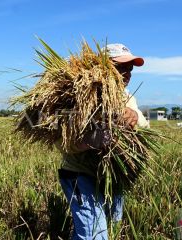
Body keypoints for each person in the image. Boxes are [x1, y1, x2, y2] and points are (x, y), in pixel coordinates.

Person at [57, 43, 149, 240]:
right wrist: (90, 141)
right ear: (102, 67)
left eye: (130, 69)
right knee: (95, 235)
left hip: (113, 176)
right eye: (121, 67)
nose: (127, 73)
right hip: (80, 174)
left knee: (111, 225)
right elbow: (60, 141)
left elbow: (145, 127)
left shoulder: (126, 97)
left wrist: (133, 116)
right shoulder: (77, 94)